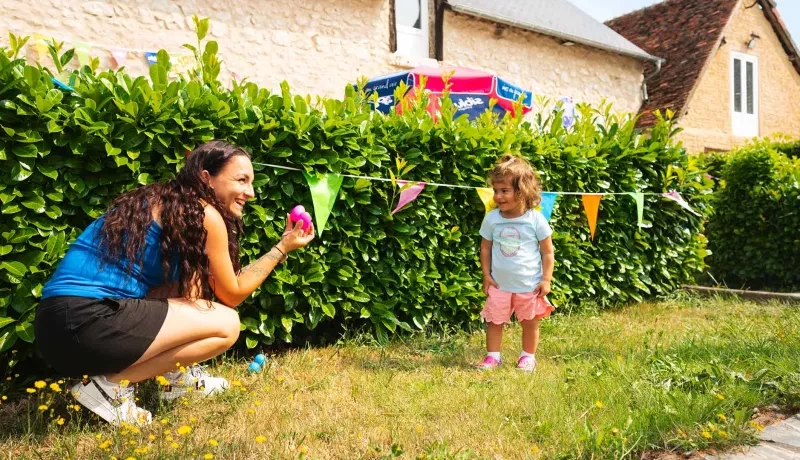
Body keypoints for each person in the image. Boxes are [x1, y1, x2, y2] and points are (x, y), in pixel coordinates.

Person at [34, 140, 314, 425]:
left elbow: (190, 297)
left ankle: (176, 381)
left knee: (188, 298)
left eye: (251, 182)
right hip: (89, 319)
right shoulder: (205, 213)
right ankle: (108, 387)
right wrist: (281, 249)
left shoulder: (166, 204)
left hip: (55, 328)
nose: (250, 193)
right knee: (226, 324)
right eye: (241, 180)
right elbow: (232, 294)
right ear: (206, 177)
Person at [476, 154, 555, 372]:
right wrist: (486, 275)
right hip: (499, 284)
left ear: (521, 192)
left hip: (529, 285)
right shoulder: (492, 218)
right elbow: (485, 248)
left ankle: (528, 356)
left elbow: (548, 252)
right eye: (495, 191)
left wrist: (546, 279)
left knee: (529, 322)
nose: (498, 196)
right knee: (494, 321)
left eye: (504, 191)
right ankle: (493, 356)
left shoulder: (535, 219)